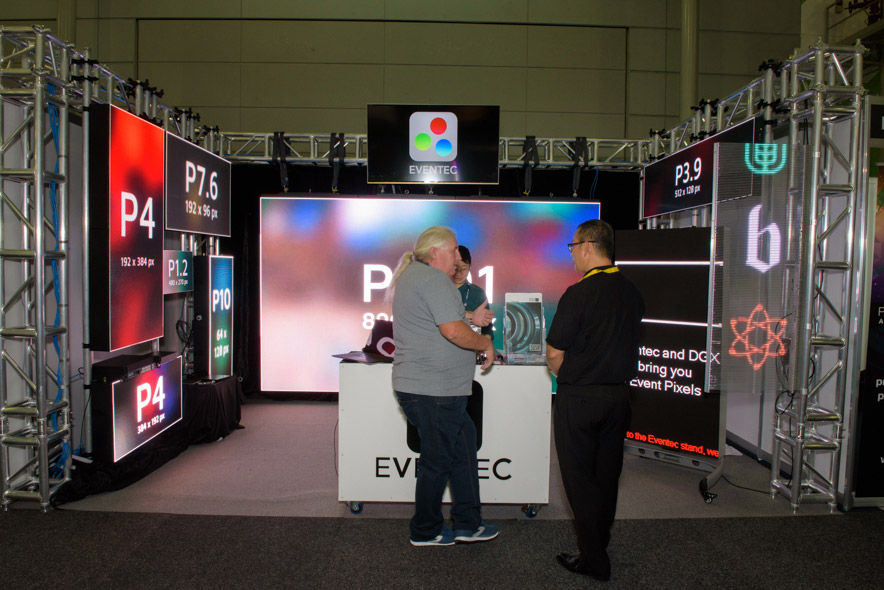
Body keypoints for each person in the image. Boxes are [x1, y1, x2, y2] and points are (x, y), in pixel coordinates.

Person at [545, 219, 645, 581]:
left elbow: (554, 351)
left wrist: (571, 377)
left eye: (573, 247)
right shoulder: (632, 291)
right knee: (607, 476)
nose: (571, 254)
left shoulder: (578, 294)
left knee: (580, 480)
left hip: (580, 398)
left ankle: (594, 561)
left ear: (588, 246)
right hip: (619, 398)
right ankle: (598, 542)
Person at [387, 226, 498, 547]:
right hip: (434, 391)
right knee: (437, 462)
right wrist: (485, 343)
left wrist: (471, 325)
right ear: (435, 252)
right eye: (453, 249)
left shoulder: (416, 276)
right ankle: (425, 529)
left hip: (435, 390)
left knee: (463, 446)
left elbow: (445, 323)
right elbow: (452, 330)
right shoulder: (433, 279)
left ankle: (468, 522)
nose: (458, 256)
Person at [452, 245, 494, 338]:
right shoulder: (440, 289)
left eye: (463, 269)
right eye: (456, 268)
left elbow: (487, 329)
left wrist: (487, 339)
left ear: (469, 267)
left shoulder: (478, 293)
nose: (459, 273)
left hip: (471, 343)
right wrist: (468, 315)